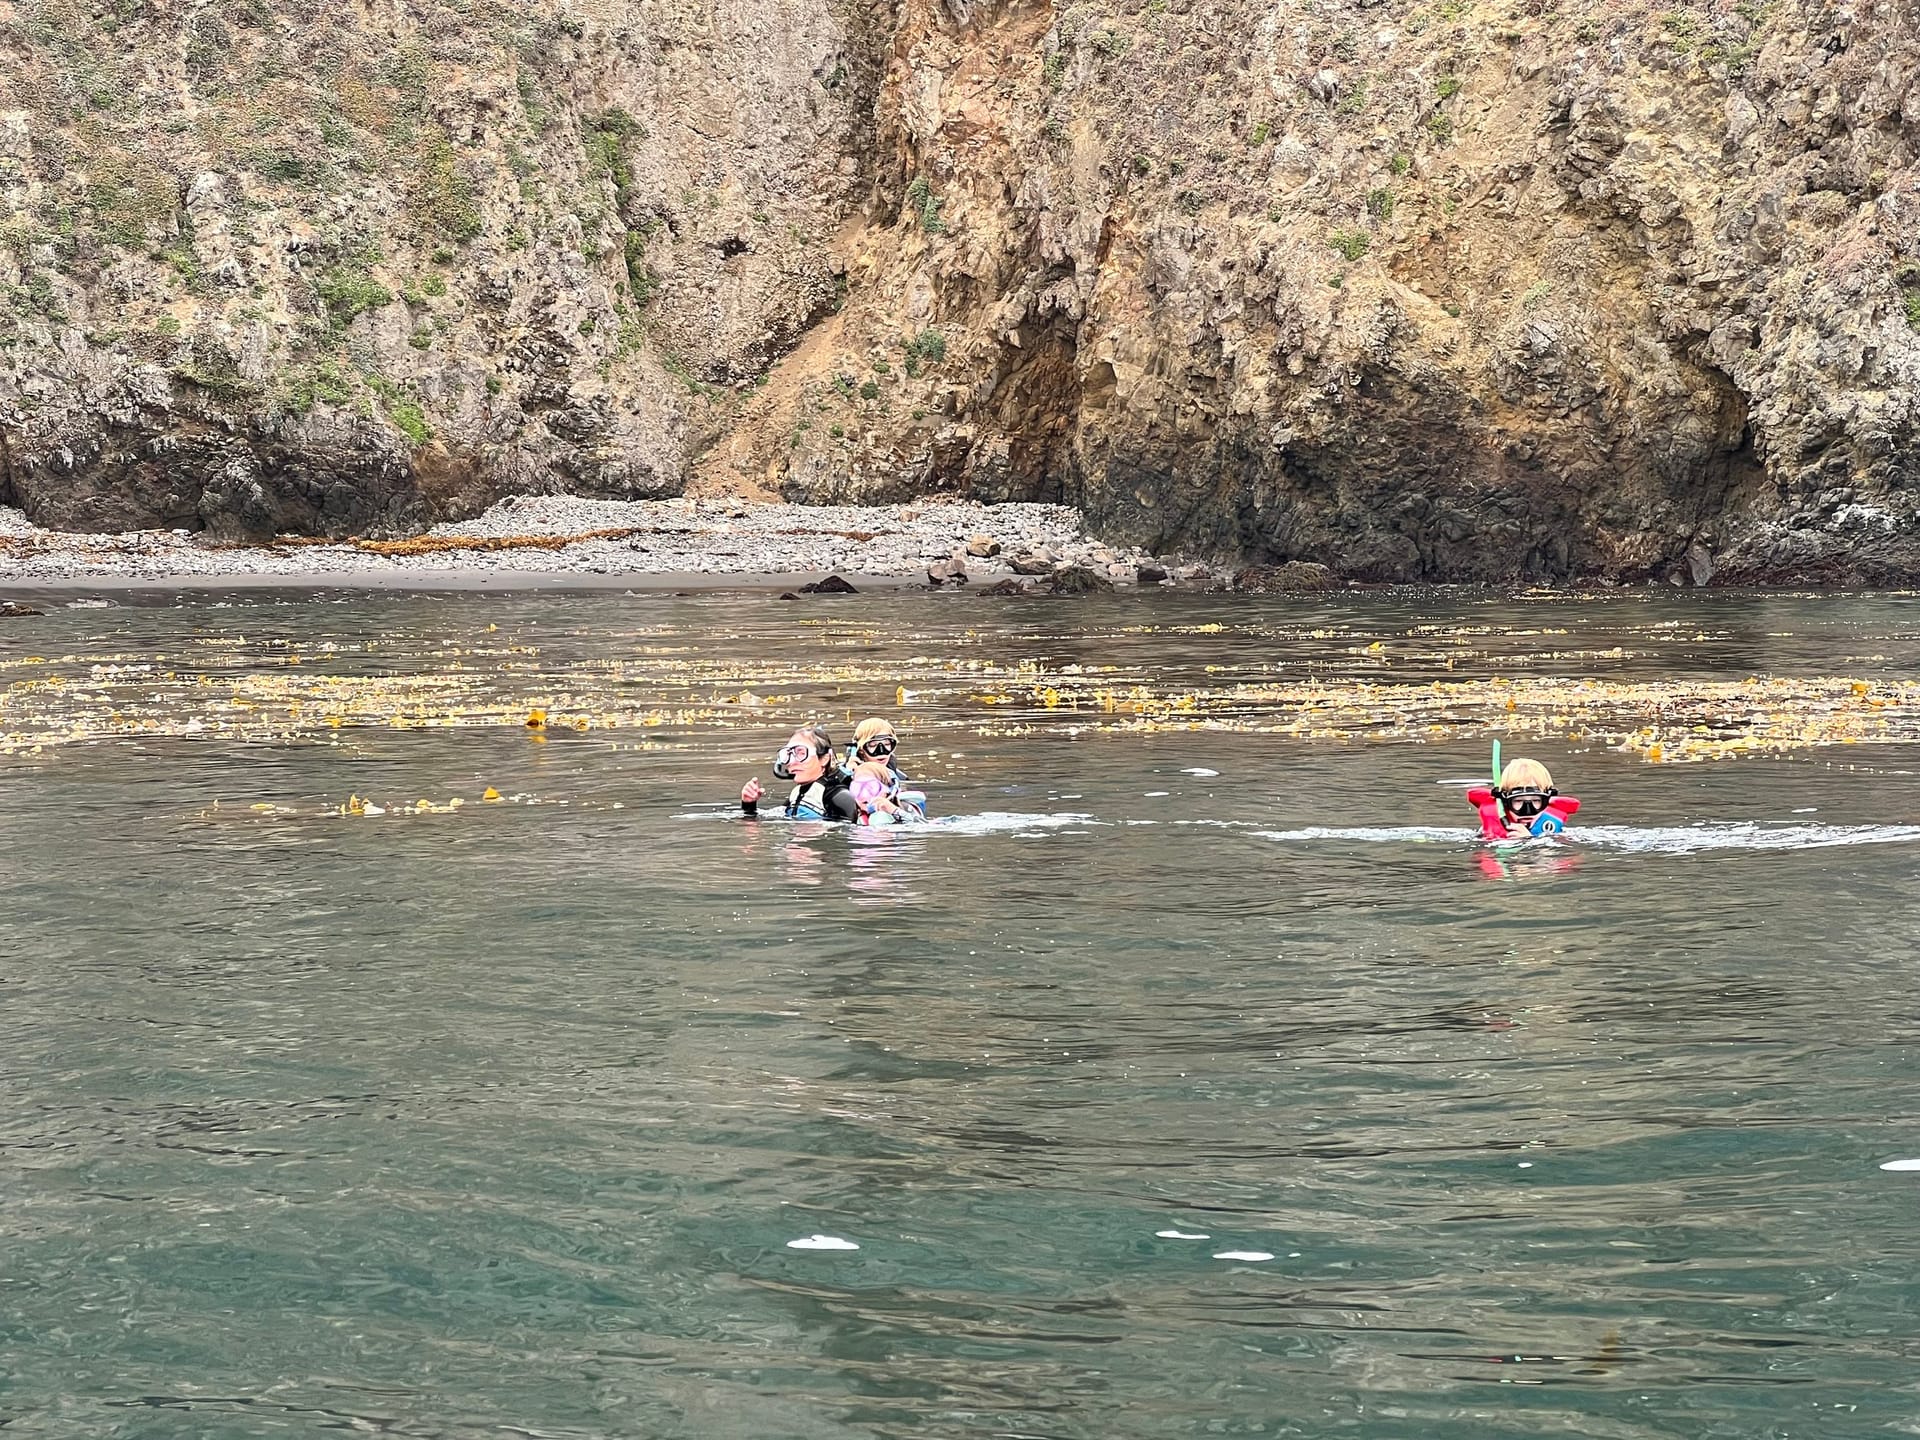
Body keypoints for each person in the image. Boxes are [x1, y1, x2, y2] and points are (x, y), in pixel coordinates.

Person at [741, 724, 859, 821]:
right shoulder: (797, 793)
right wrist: (749, 804)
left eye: (801, 753)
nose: (792, 762)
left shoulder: (840, 797)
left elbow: (847, 838)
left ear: (824, 759)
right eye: (788, 755)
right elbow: (766, 818)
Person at [1467, 757, 1581, 840]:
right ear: (1505, 801)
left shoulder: (1552, 832)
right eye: (1518, 801)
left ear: (1546, 801)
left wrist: (1528, 839)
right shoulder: (1492, 823)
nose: (1527, 810)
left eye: (1536, 801)